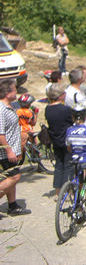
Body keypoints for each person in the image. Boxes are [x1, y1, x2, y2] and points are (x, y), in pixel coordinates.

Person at [0, 79, 31, 216]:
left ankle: (12, 206)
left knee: (11, 175)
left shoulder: (11, 106)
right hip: (6, 151)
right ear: (7, 93)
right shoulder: (1, 109)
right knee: (14, 176)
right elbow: (0, 133)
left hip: (13, 149)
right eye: (14, 89)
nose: (17, 92)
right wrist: (9, 150)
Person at [45, 83, 74, 197]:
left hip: (55, 140)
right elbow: (71, 122)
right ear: (60, 96)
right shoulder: (66, 109)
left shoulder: (48, 109)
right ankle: (68, 190)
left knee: (58, 166)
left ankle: (57, 192)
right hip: (67, 141)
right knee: (68, 165)